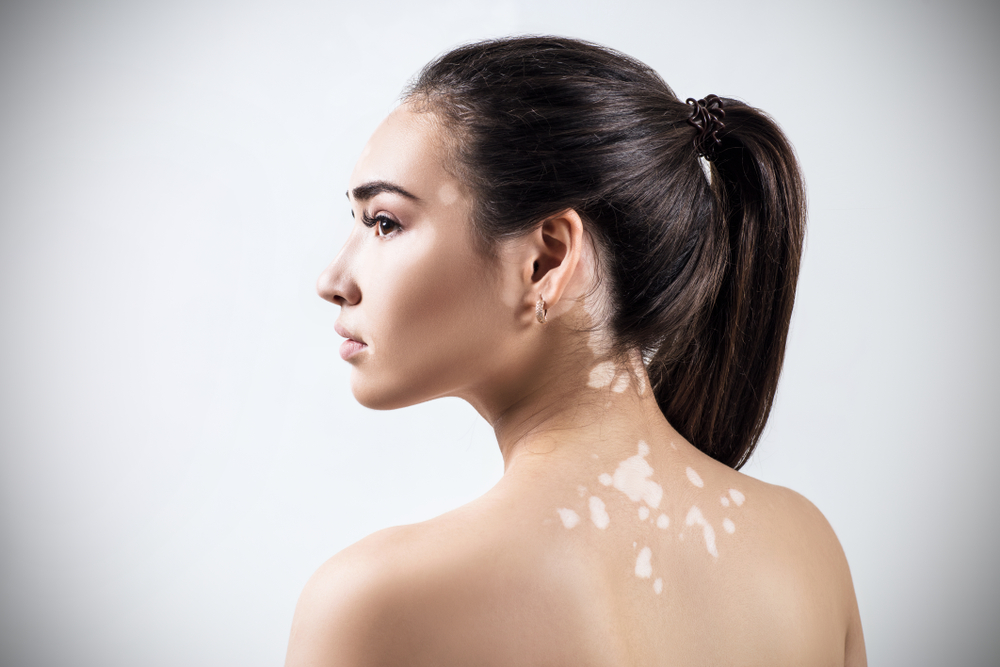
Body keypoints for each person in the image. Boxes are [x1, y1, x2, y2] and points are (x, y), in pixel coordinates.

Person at [285, 36, 866, 666]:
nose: (332, 280)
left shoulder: (375, 604)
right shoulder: (807, 551)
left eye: (384, 223)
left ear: (545, 258)